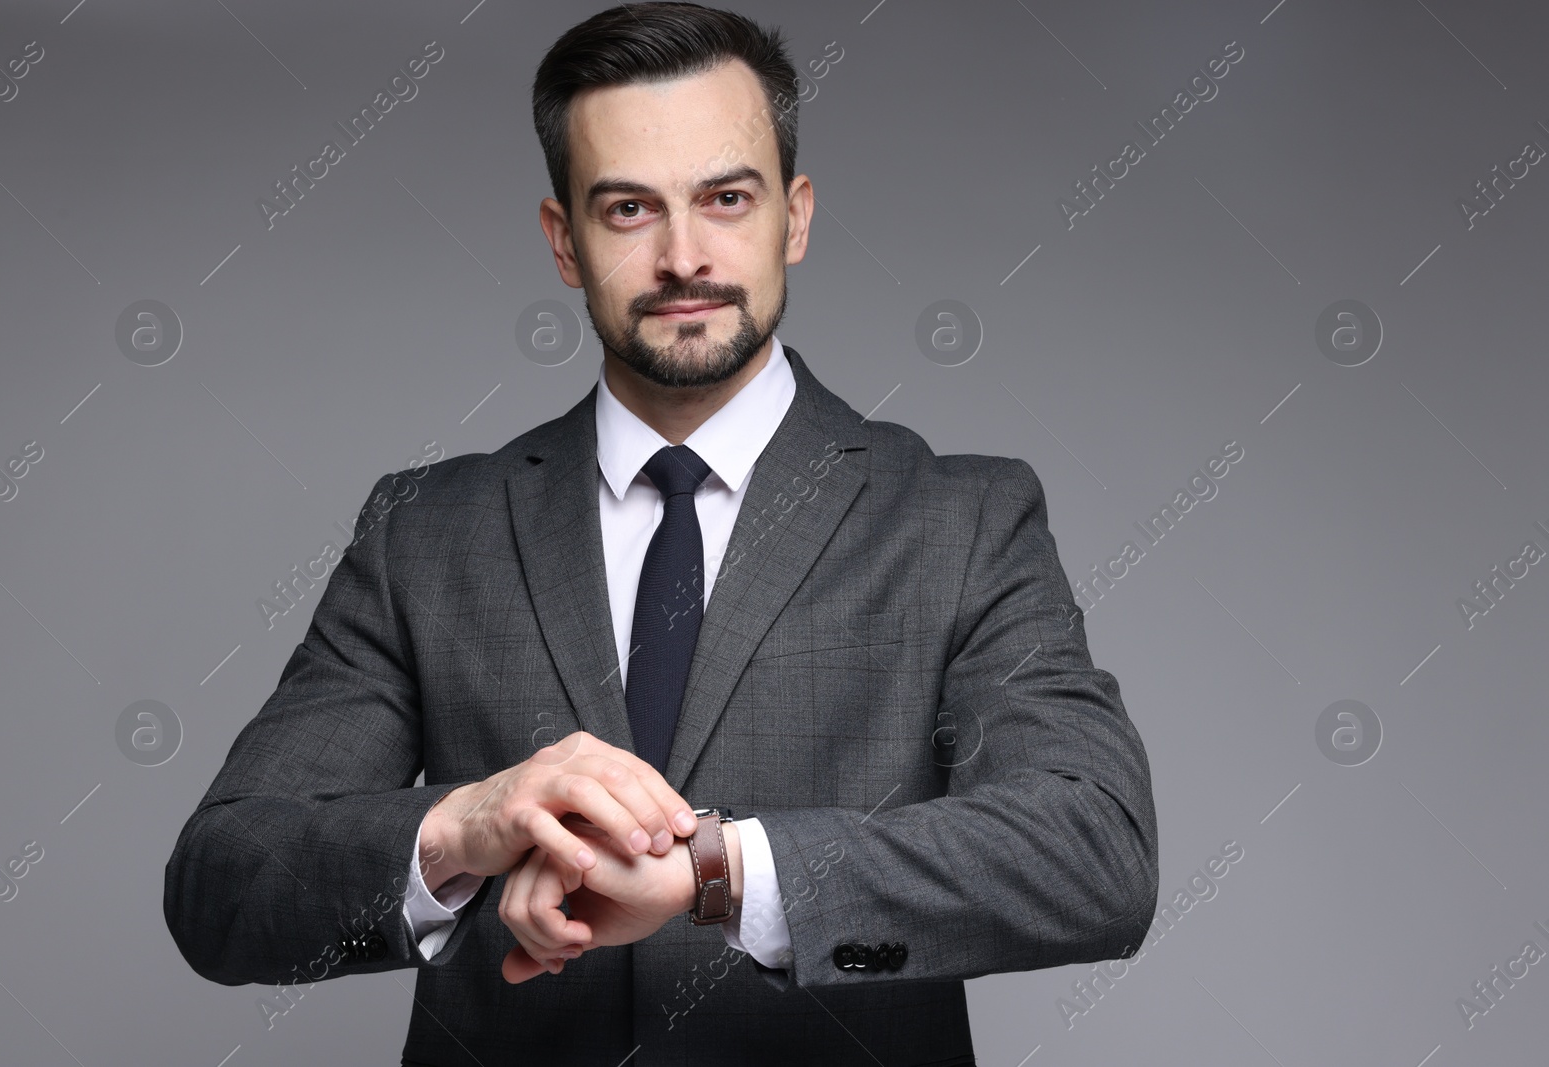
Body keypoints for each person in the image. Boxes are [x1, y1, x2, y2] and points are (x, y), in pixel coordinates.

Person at [163, 4, 1158, 1064]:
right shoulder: (425, 532)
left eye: (726, 198)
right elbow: (222, 882)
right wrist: (462, 826)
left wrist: (716, 872)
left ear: (795, 216)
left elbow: (1091, 850)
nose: (685, 257)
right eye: (630, 209)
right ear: (564, 241)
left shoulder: (960, 518)